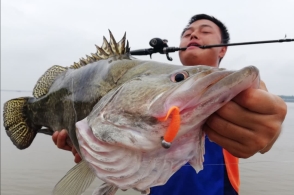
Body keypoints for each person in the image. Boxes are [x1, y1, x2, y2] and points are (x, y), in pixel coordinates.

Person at [52, 14, 287, 195]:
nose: (194, 35)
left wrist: (270, 132)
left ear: (223, 49)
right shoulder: (150, 87)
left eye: (204, 31)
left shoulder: (231, 90)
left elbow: (264, 109)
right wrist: (92, 149)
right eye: (187, 33)